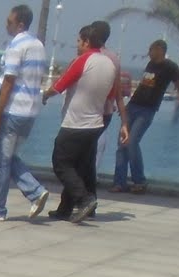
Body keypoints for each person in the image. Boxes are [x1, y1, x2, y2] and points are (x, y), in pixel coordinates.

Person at [43, 23, 129, 223]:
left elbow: (60, 85)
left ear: (87, 42)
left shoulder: (82, 60)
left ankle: (84, 199)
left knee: (61, 163)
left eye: (79, 41)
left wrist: (45, 95)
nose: (77, 45)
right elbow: (112, 95)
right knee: (81, 166)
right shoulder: (110, 64)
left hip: (75, 123)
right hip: (96, 123)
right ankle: (65, 209)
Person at [0, 5, 49, 222]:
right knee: (9, 158)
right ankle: (35, 191)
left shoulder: (16, 46)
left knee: (1, 162)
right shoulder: (38, 46)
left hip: (14, 110)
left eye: (9, 21)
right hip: (30, 112)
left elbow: (9, 81)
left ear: (20, 24)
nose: (6, 25)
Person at [112, 39, 179, 193]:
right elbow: (143, 87)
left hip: (147, 110)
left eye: (151, 50)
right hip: (133, 106)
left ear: (159, 49)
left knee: (132, 142)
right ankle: (119, 182)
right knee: (122, 143)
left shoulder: (170, 67)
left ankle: (139, 181)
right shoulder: (150, 64)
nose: (148, 53)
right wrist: (126, 107)